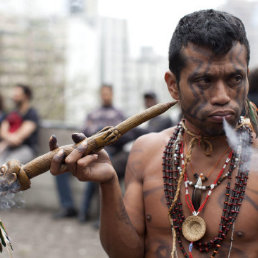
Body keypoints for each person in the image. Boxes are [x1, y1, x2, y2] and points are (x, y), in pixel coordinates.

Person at [49, 9, 258, 257]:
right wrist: (109, 184)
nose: (223, 96)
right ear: (173, 86)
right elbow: (126, 254)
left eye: (235, 78)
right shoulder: (146, 152)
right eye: (204, 81)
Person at [54, 84, 131, 222]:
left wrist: (99, 134)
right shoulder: (92, 113)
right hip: (87, 149)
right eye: (103, 93)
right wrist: (99, 134)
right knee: (60, 167)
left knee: (94, 166)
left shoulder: (119, 114)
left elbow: (121, 135)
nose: (105, 96)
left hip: (108, 152)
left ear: (112, 94)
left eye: (108, 93)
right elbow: (82, 133)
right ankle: (68, 207)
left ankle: (86, 212)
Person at [0, 84, 39, 164]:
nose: (14, 97)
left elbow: (18, 138)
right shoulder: (11, 113)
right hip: (8, 148)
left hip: (25, 149)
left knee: (9, 167)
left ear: (26, 96)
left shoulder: (31, 114)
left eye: (17, 95)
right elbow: (2, 132)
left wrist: (4, 143)